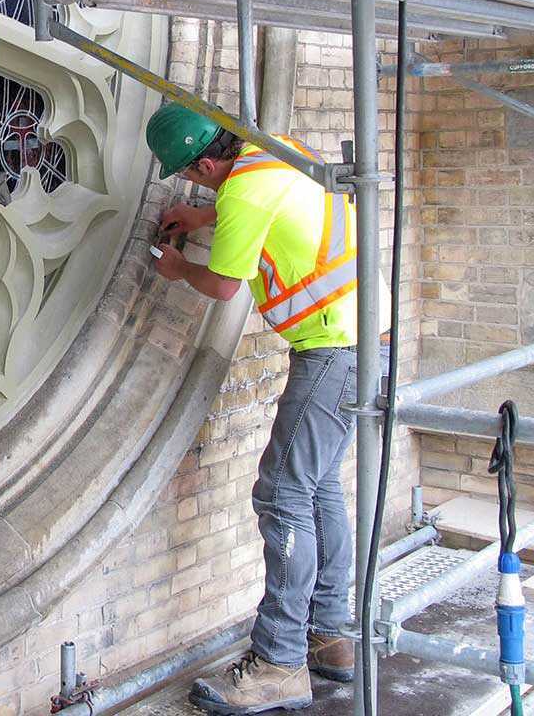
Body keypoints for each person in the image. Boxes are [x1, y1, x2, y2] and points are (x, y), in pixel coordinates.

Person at [144, 103, 388, 715]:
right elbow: (270, 203)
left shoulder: (243, 192)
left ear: (205, 165)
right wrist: (204, 215)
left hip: (333, 350)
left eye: (192, 179)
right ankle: (331, 635)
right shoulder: (274, 150)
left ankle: (278, 663)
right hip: (367, 340)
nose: (196, 188)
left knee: (280, 494)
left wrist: (178, 266)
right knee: (317, 486)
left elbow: (225, 285)